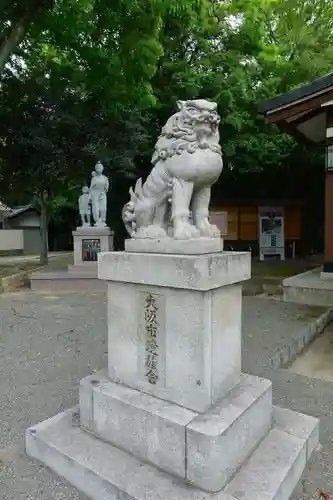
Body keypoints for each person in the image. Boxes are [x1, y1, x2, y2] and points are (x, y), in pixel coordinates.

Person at [89, 161, 109, 226]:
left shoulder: (105, 178)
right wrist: (90, 196)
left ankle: (102, 220)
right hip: (95, 194)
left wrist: (103, 192)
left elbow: (106, 187)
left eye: (100, 167)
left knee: (103, 209)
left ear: (102, 168)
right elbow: (91, 188)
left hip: (102, 193)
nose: (99, 168)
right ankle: (97, 221)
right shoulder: (94, 178)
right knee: (95, 208)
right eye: (97, 167)